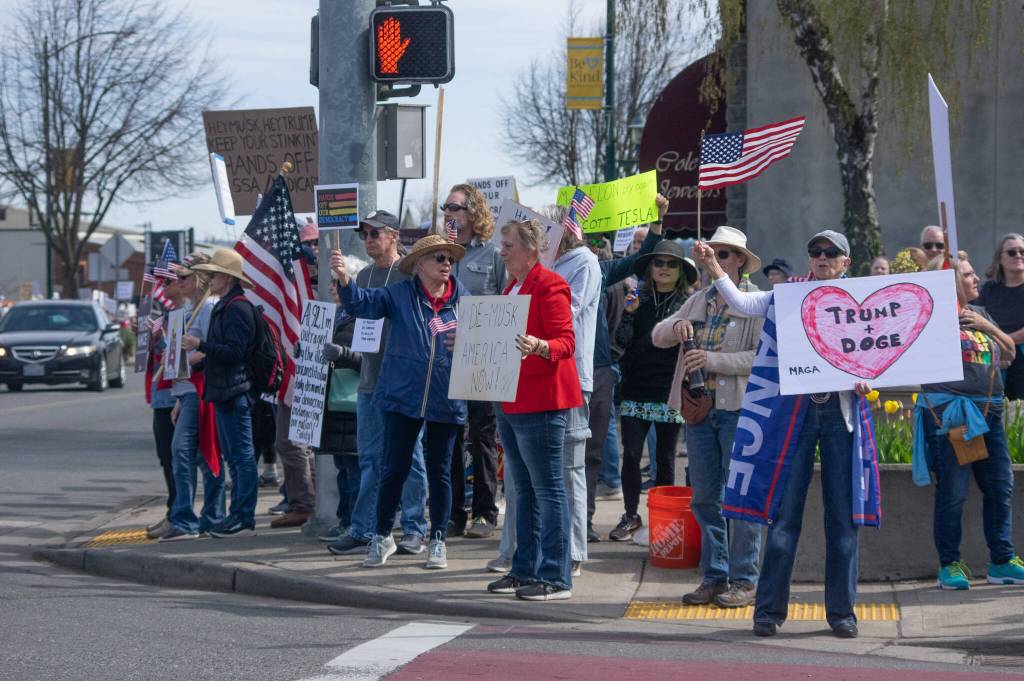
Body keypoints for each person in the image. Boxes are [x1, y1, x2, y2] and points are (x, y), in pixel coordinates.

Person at [692, 229, 875, 639]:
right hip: (796, 414)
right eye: (815, 251)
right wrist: (713, 266)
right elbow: (741, 301)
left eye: (832, 253)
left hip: (840, 414)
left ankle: (842, 613)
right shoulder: (788, 295)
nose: (822, 257)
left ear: (846, 262)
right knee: (784, 517)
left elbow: (880, 354)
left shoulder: (864, 300)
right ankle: (769, 611)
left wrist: (869, 378)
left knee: (843, 519)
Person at [331, 235, 468, 569]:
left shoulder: (463, 297)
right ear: (419, 264)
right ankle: (381, 536)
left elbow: (483, 339)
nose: (446, 263)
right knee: (393, 469)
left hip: (446, 398)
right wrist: (346, 281)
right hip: (402, 396)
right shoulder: (400, 294)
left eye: (449, 257)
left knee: (440, 473)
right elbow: (362, 304)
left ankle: (437, 539)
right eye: (438, 257)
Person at [653, 227, 764, 607]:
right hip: (699, 409)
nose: (712, 260)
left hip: (738, 411)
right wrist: (676, 326)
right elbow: (658, 336)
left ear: (740, 263)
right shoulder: (699, 299)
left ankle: (745, 579)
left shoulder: (755, 301)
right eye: (710, 254)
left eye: (724, 255)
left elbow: (759, 358)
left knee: (741, 498)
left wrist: (713, 360)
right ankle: (716, 576)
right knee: (704, 497)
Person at [913, 253, 1024, 589]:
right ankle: (950, 564)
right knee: (954, 491)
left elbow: (1009, 354)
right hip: (952, 416)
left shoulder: (981, 314)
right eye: (968, 274)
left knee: (1000, 486)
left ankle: (1002, 560)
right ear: (948, 281)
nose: (976, 279)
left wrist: (988, 327)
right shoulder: (929, 317)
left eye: (975, 273)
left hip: (988, 413)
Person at [485, 218, 581, 601]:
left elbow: (566, 342)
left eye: (508, 245)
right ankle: (525, 569)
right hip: (512, 398)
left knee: (548, 490)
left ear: (530, 249)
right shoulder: (513, 287)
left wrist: (539, 346)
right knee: (521, 489)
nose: (502, 251)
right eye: (502, 244)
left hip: (541, 400)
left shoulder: (549, 284)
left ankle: (556, 576)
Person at [326, 210, 430, 557]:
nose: (369, 239)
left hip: (405, 381)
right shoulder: (366, 275)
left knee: (410, 456)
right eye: (365, 234)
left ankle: (415, 528)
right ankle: (364, 528)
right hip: (370, 379)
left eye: (375, 233)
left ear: (394, 236)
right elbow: (356, 310)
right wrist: (344, 279)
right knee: (370, 457)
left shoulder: (412, 274)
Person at [610, 241, 698, 542]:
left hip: (669, 390)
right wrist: (631, 313)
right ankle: (631, 514)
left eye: (671, 264)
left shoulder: (689, 302)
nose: (663, 268)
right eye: (658, 263)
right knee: (632, 455)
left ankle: (663, 518)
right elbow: (621, 341)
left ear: (680, 271)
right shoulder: (638, 297)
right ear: (650, 267)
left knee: (665, 459)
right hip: (636, 386)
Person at [442, 183, 506, 539]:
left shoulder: (493, 253)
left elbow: (507, 301)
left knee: (482, 435)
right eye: (445, 208)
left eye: (455, 207)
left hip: (482, 358)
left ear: (473, 212)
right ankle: (453, 512)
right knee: (449, 435)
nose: (449, 214)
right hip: (445, 357)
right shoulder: (441, 254)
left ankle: (484, 511)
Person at [184, 248, 260, 538]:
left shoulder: (238, 308)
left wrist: (200, 346)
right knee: (233, 456)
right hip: (225, 391)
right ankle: (236, 514)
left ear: (227, 277)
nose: (209, 278)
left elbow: (235, 352)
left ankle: (243, 515)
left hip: (236, 390)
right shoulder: (226, 305)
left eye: (213, 274)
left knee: (241, 456)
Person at [160, 254, 226, 541]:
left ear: (199, 278)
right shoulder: (189, 309)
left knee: (184, 451)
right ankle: (210, 517)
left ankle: (188, 519)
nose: (178, 282)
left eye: (184, 277)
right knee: (198, 454)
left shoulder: (208, 307)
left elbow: (211, 349)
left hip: (200, 390)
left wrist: (185, 363)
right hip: (187, 392)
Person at [552, 228, 602, 575]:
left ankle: (573, 551)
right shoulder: (546, 265)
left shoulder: (584, 262)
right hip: (542, 374)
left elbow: (566, 311)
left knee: (570, 467)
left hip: (571, 374)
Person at [318, 278, 364, 543]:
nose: (333, 287)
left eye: (339, 282)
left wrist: (342, 353)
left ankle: (356, 524)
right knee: (343, 467)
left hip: (354, 402)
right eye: (332, 283)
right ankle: (345, 519)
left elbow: (370, 360)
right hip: (334, 402)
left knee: (355, 467)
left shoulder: (362, 318)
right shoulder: (334, 317)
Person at [143, 274, 185, 539]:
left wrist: (160, 340)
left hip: (174, 395)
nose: (162, 287)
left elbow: (177, 360)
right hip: (162, 396)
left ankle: (180, 513)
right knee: (165, 458)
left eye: (167, 282)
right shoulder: (169, 316)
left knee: (176, 459)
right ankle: (174, 510)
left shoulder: (185, 316)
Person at [976, 233, 1024, 400]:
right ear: (1000, 258)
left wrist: (1003, 345)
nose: (1018, 255)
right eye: (1012, 252)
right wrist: (997, 348)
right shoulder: (988, 289)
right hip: (990, 359)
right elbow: (976, 318)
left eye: (1022, 252)